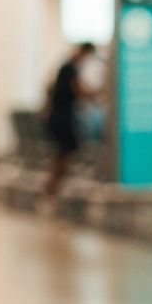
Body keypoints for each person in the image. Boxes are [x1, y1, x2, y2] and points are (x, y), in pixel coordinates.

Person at [42, 42, 99, 200]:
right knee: (62, 156)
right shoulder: (70, 68)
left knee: (62, 156)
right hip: (63, 119)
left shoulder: (64, 68)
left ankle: (51, 193)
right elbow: (79, 89)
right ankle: (50, 193)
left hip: (59, 117)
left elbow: (50, 88)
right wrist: (98, 94)